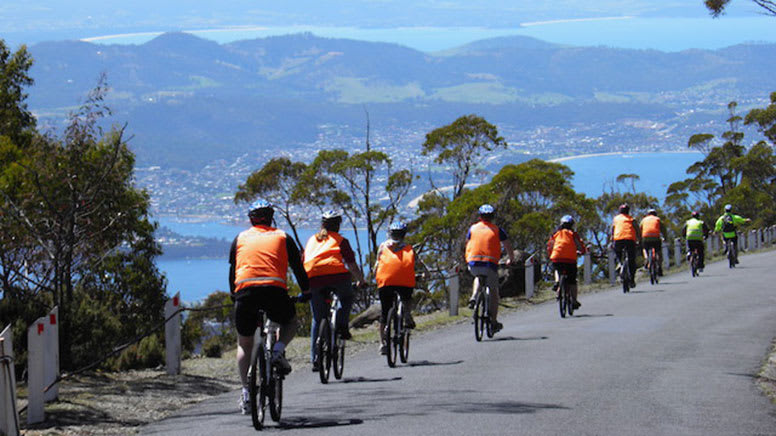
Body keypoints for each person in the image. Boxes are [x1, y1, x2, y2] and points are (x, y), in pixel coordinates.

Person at [229, 199, 309, 415]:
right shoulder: (283, 237)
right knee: (290, 322)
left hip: (245, 293)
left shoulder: (240, 238)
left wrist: (234, 296)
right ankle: (277, 351)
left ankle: (246, 392)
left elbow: (232, 272)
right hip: (275, 291)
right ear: (271, 217)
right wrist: (307, 291)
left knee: (244, 344)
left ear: (251, 219)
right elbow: (298, 268)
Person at [303, 210, 364, 371]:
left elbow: (304, 261)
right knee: (347, 296)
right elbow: (351, 264)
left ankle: (315, 357)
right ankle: (342, 325)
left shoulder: (311, 240)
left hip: (313, 278)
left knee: (317, 318)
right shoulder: (341, 240)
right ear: (338, 225)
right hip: (337, 276)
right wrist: (361, 280)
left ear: (322, 224)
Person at [465, 204, 515, 333]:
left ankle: (474, 296)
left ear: (480, 217)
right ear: (492, 217)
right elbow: (508, 246)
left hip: (473, 263)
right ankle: (493, 322)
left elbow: (468, 243)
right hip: (490, 264)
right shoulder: (497, 230)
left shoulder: (473, 228)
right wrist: (511, 259)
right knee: (494, 292)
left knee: (477, 277)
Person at [374, 222, 417, 355]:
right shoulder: (409, 248)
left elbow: (376, 265)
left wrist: (374, 275)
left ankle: (382, 343)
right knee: (407, 298)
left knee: (384, 313)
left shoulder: (382, 246)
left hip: (385, 282)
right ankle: (408, 315)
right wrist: (425, 274)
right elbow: (418, 264)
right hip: (405, 283)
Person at [546, 215, 587, 309]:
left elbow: (549, 245)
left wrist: (551, 254)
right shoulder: (573, 233)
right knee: (572, 281)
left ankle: (557, 283)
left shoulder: (555, 233)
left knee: (557, 270)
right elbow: (580, 245)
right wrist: (582, 251)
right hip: (570, 259)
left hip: (557, 257)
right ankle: (574, 300)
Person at [611, 204, 639, 288]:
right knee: (631, 260)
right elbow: (637, 230)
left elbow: (612, 230)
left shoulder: (615, 219)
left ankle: (620, 264)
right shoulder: (631, 219)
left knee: (618, 253)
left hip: (618, 239)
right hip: (630, 240)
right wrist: (639, 240)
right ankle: (632, 280)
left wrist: (612, 239)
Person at [640, 208, 665, 276]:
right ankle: (659, 267)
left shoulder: (643, 220)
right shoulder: (657, 219)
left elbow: (640, 229)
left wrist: (640, 239)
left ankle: (647, 258)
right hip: (656, 238)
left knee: (645, 249)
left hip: (646, 238)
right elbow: (663, 229)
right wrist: (665, 238)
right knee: (659, 252)